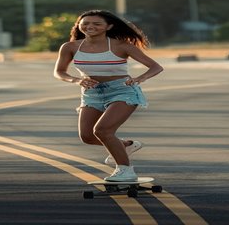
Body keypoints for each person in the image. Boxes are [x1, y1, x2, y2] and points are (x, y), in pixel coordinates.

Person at [53, 9, 164, 182]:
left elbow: (156, 67)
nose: (90, 27)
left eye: (96, 24)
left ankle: (125, 170)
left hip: (122, 90)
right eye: (86, 23)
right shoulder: (70, 47)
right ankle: (125, 145)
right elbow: (59, 72)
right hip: (91, 93)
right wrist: (76, 80)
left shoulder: (121, 46)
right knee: (87, 136)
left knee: (103, 130)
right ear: (79, 26)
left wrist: (140, 78)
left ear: (108, 26)